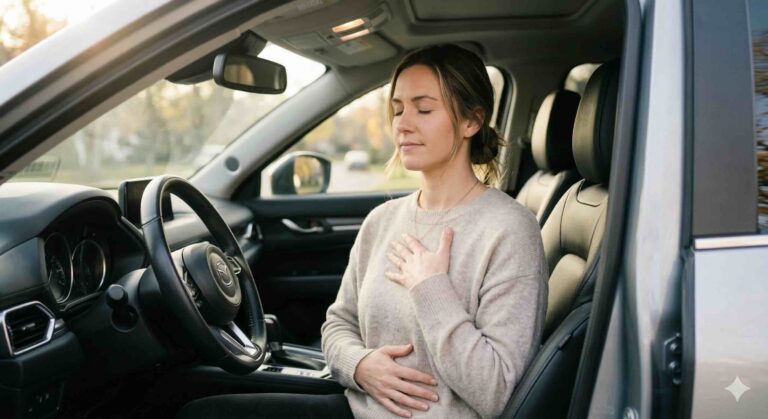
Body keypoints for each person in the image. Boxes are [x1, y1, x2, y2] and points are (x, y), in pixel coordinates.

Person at [177, 44, 547, 419]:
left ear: (471, 121)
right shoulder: (383, 220)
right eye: (398, 108)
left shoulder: (510, 229)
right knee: (201, 411)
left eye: (424, 109)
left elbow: (499, 392)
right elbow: (339, 323)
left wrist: (431, 289)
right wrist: (360, 366)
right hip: (359, 407)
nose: (402, 123)